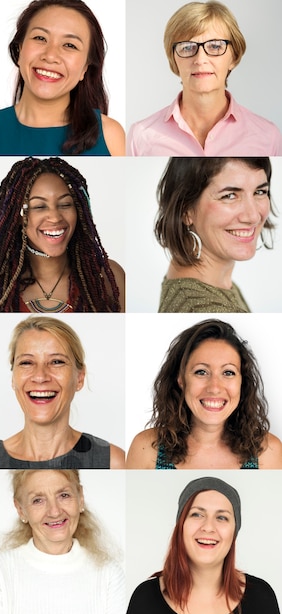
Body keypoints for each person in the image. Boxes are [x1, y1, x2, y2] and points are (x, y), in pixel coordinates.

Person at [0, 0, 125, 156]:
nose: (50, 56)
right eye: (40, 38)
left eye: (70, 45)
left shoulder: (111, 135)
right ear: (20, 48)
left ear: (85, 67)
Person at [0, 156, 124, 313]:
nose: (55, 217)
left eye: (65, 204)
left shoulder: (108, 277)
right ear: (18, 216)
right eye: (39, 206)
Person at [127, 1, 281, 156]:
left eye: (215, 46)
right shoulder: (141, 136)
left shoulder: (268, 137)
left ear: (233, 57)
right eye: (187, 47)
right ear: (173, 59)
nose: (200, 59)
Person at [0, 469, 125, 614]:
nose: (55, 511)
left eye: (64, 495)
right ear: (20, 509)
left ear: (80, 498)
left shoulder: (109, 574)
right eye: (38, 500)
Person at [0, 316, 125, 469]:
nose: (40, 376)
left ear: (79, 377)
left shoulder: (114, 462)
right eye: (26, 362)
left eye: (57, 362)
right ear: (13, 378)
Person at [126, 319, 282, 469]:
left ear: (242, 381)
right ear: (181, 379)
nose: (214, 387)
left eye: (228, 372)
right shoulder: (146, 449)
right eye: (201, 372)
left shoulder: (268, 452)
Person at [127, 476, 282, 614]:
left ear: (234, 532)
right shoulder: (144, 600)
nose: (208, 527)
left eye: (222, 517)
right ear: (181, 526)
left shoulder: (262, 598)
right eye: (197, 514)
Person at [154, 157, 274, 313]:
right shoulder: (204, 307)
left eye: (260, 192)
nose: (253, 216)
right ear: (186, 211)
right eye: (229, 195)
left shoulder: (207, 286)